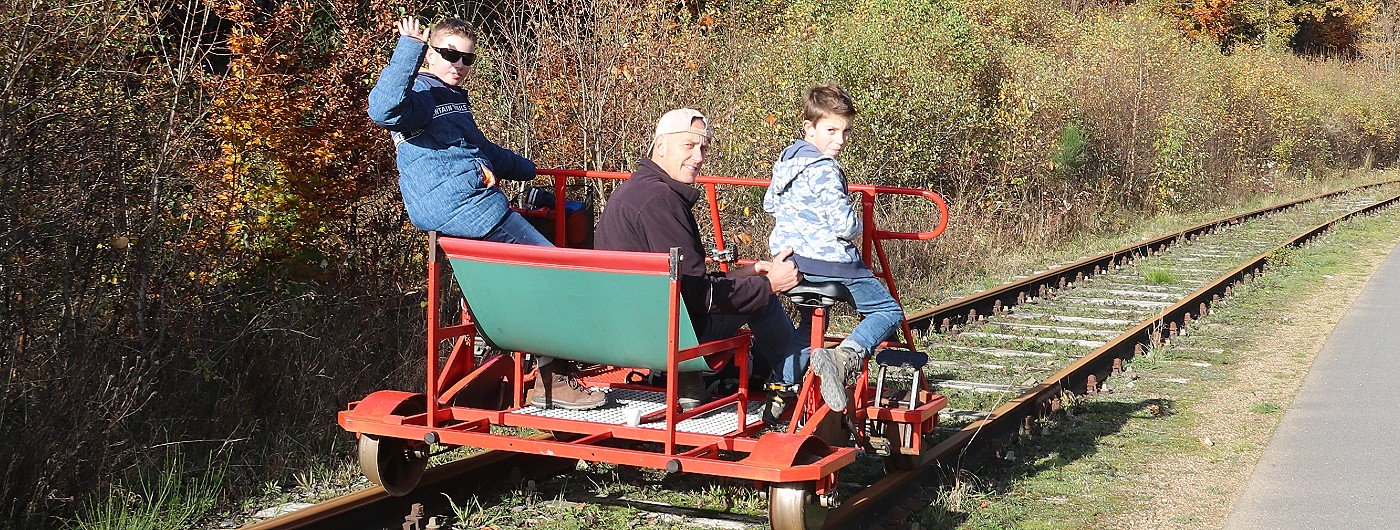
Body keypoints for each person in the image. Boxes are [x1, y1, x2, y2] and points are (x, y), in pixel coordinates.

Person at [367, 17, 605, 410]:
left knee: (518, 284)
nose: (459, 64)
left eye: (467, 59)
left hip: (468, 208)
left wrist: (528, 169)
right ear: (429, 54)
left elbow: (479, 148)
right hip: (471, 210)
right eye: (449, 54)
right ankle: (553, 378)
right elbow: (384, 109)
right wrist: (407, 46)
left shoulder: (452, 98)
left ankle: (505, 344)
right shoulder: (422, 95)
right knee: (556, 271)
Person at [594, 108, 807, 412]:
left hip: (628, 329)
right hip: (666, 340)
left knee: (754, 287)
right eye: (689, 146)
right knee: (763, 299)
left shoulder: (632, 191)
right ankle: (795, 387)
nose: (699, 157)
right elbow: (698, 297)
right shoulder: (662, 202)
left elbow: (689, 285)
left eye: (703, 148)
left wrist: (743, 274)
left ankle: (695, 381)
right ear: (661, 145)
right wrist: (769, 284)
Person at [764, 83, 904, 413]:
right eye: (831, 130)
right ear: (809, 127)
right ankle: (844, 358)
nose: (839, 141)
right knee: (888, 310)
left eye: (845, 132)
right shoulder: (825, 168)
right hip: (831, 263)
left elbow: (771, 203)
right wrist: (858, 223)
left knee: (812, 323)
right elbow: (843, 225)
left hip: (794, 263)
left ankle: (780, 386)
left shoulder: (786, 160)